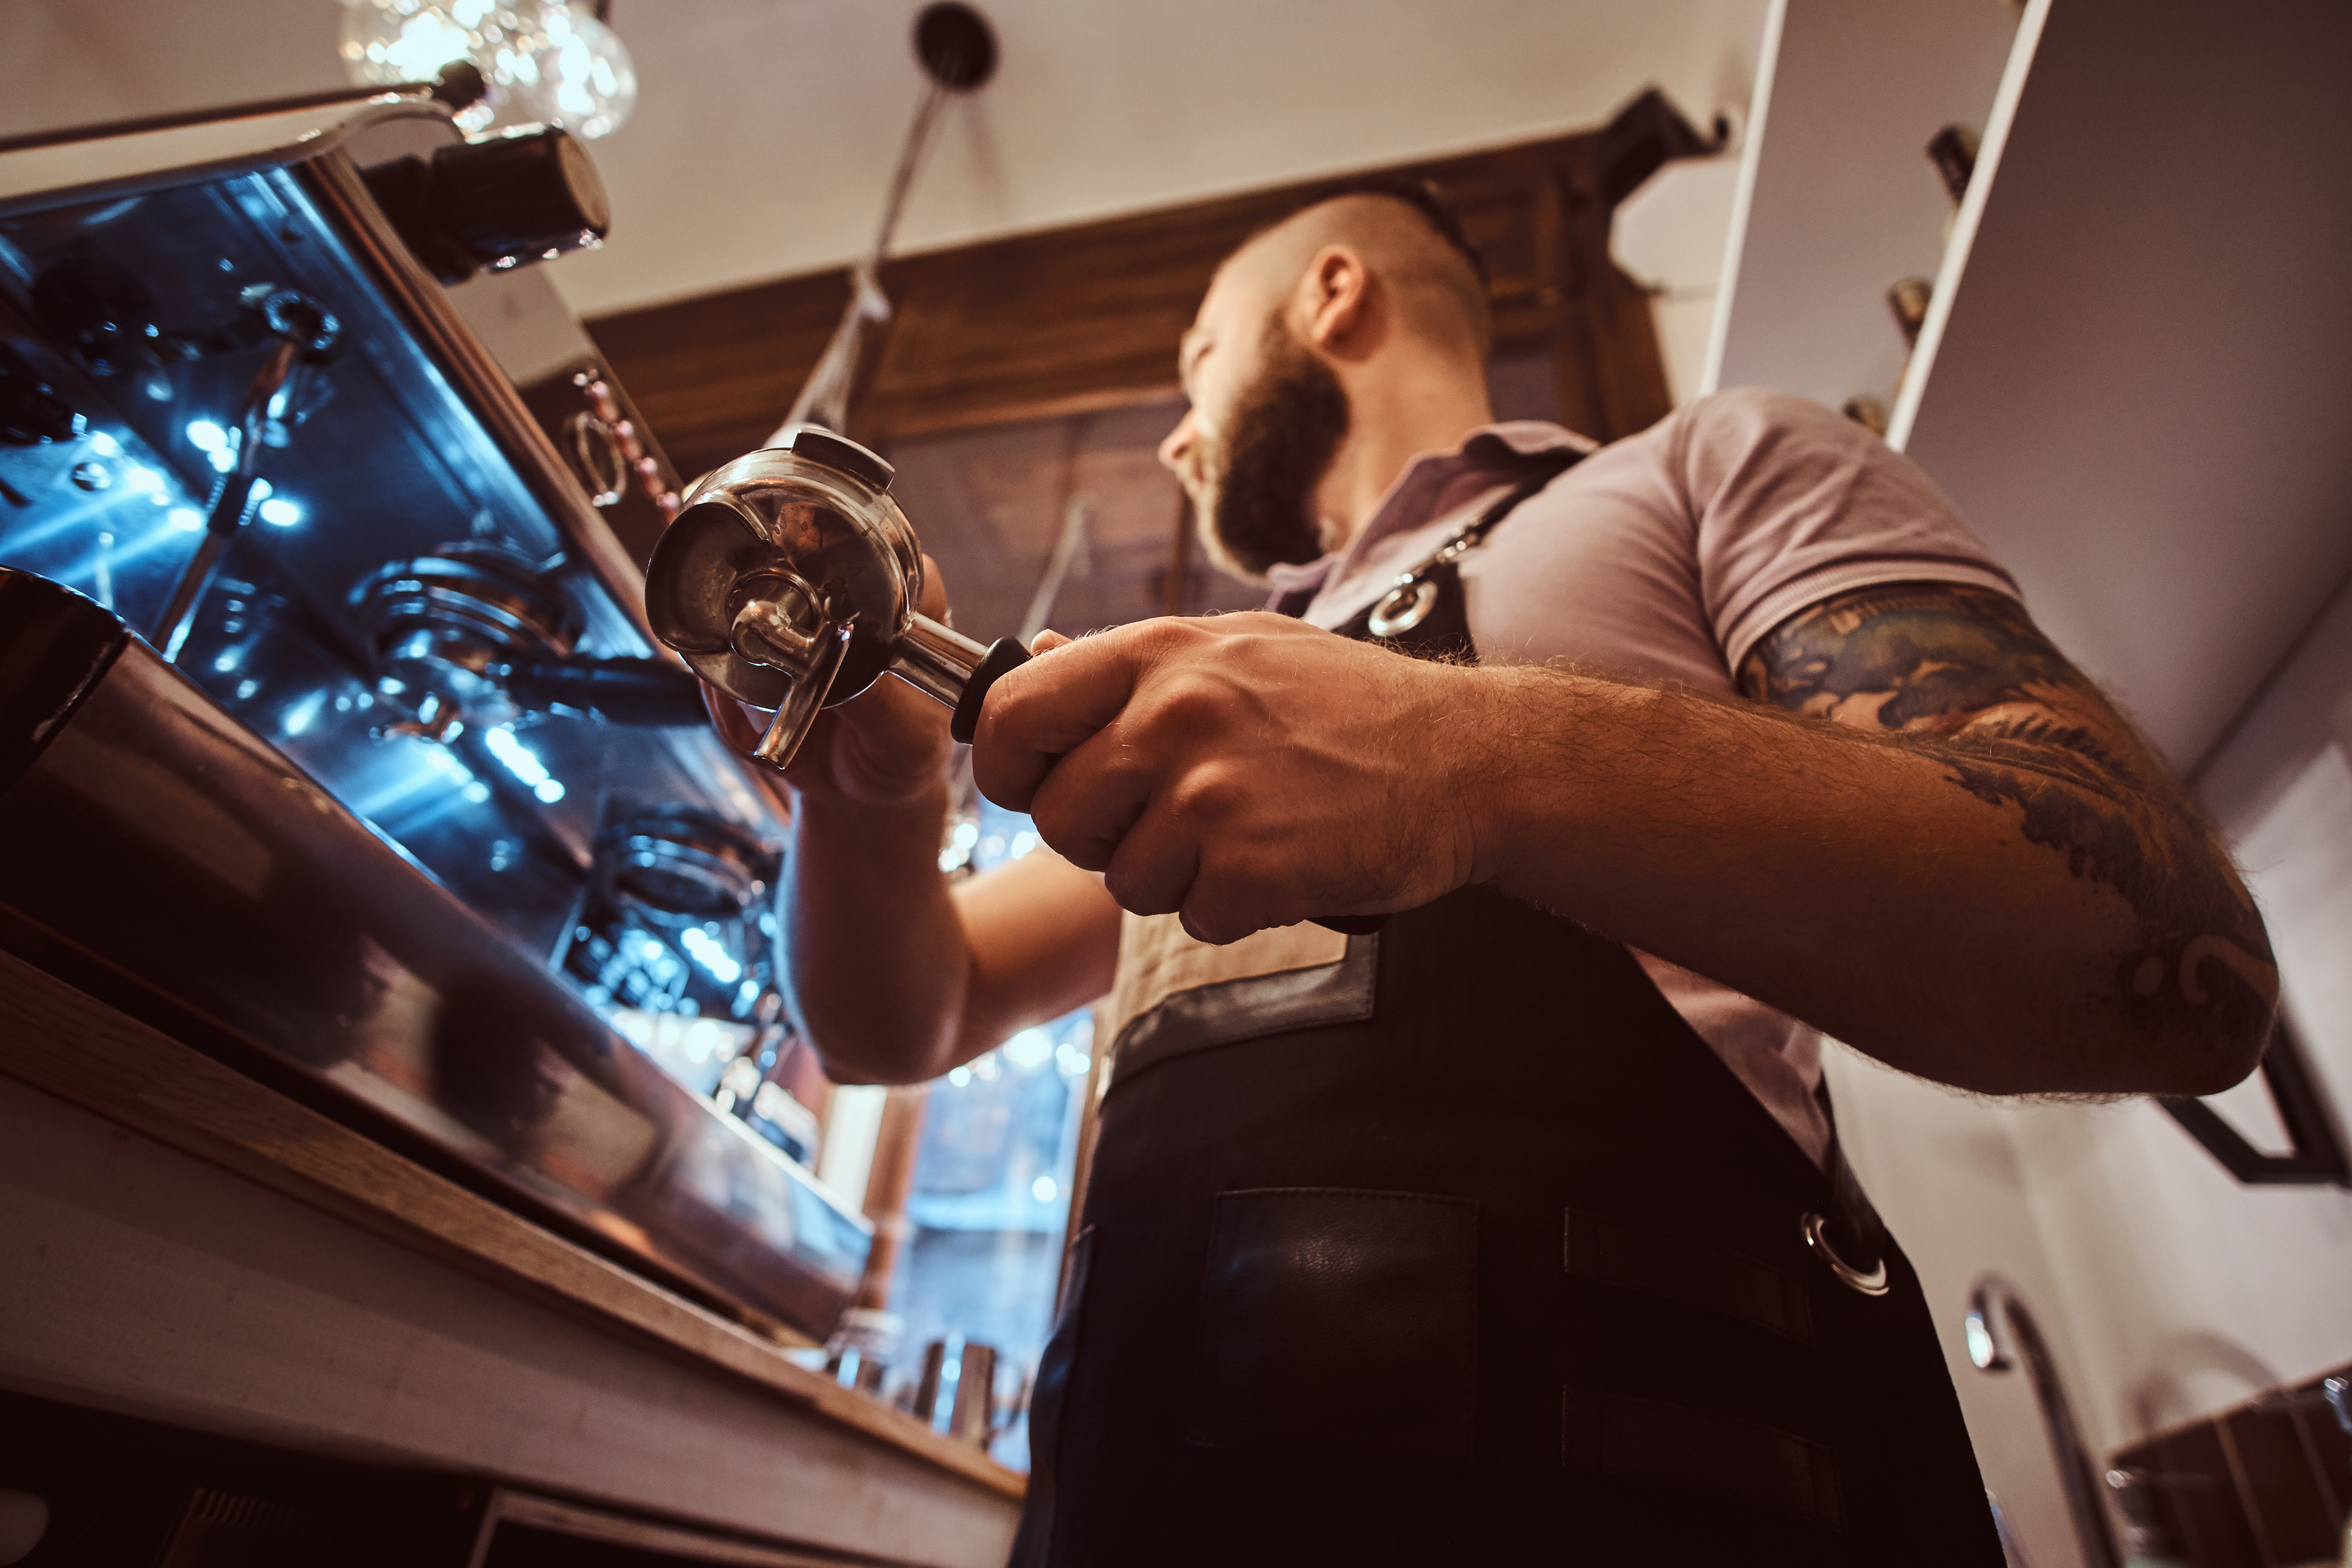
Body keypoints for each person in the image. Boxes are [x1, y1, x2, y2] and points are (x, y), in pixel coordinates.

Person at [721, 186, 2276, 1565]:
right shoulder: (1222, 713)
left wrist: (1458, 762)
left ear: (1333, 294)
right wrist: (870, 784)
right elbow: (904, 1015)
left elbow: (2161, 946)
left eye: (1198, 357)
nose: (1174, 434)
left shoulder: (1703, 469)